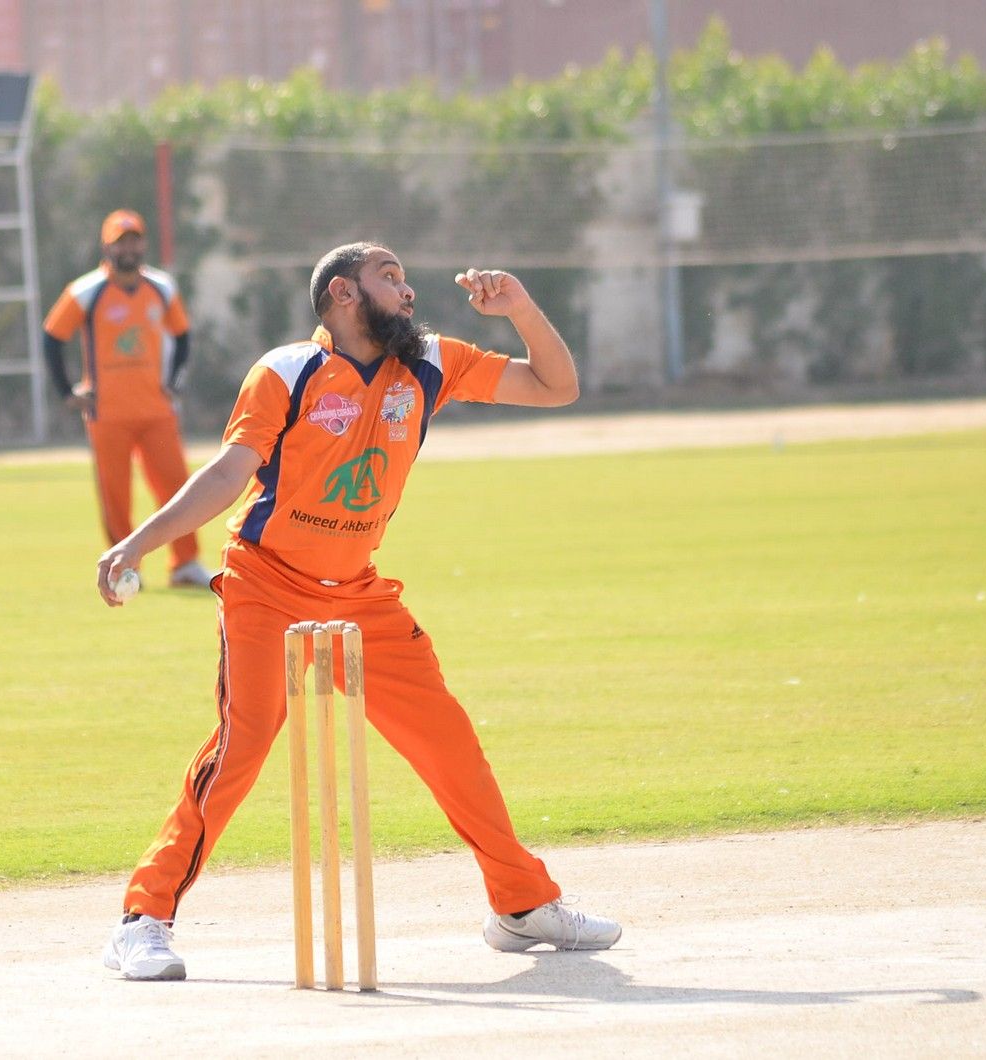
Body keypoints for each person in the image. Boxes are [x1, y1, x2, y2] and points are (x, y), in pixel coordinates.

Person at [95, 242, 622, 981]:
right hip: (265, 583)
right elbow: (228, 474)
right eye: (389, 278)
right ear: (343, 294)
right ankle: (142, 920)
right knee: (243, 746)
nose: (408, 292)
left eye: (404, 278)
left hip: (360, 595)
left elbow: (556, 386)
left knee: (449, 743)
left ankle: (522, 905)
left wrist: (520, 310)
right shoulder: (286, 371)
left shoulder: (431, 362)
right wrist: (138, 543)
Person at [43, 209, 213, 588]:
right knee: (116, 495)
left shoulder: (161, 288)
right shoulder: (87, 291)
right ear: (107, 246)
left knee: (177, 488)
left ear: (143, 244)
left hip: (157, 410)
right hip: (108, 414)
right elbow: (52, 337)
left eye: (134, 240)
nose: (128, 249)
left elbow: (182, 336)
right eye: (121, 243)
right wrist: (67, 391)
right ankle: (123, 567)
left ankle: (185, 563)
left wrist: (176, 381)